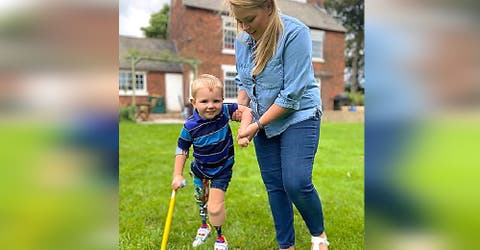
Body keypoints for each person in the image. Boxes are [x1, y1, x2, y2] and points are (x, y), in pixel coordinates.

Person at [225, 0, 329, 249]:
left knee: (295, 182)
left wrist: (256, 125)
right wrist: (243, 110)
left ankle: (319, 235)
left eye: (249, 19)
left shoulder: (295, 34)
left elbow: (291, 97)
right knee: (275, 186)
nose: (244, 27)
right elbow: (243, 79)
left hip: (299, 114)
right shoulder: (242, 39)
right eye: (240, 21)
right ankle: (286, 245)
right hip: (263, 116)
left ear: (269, 7)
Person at [171, 74, 252, 250]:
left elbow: (247, 111)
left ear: (222, 100)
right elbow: (182, 150)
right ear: (193, 102)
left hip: (222, 169)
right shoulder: (190, 127)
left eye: (216, 101)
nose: (210, 106)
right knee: (201, 200)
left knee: (214, 208)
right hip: (200, 169)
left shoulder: (224, 112)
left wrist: (243, 132)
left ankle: (220, 238)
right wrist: (177, 174)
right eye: (204, 101)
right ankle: (203, 226)